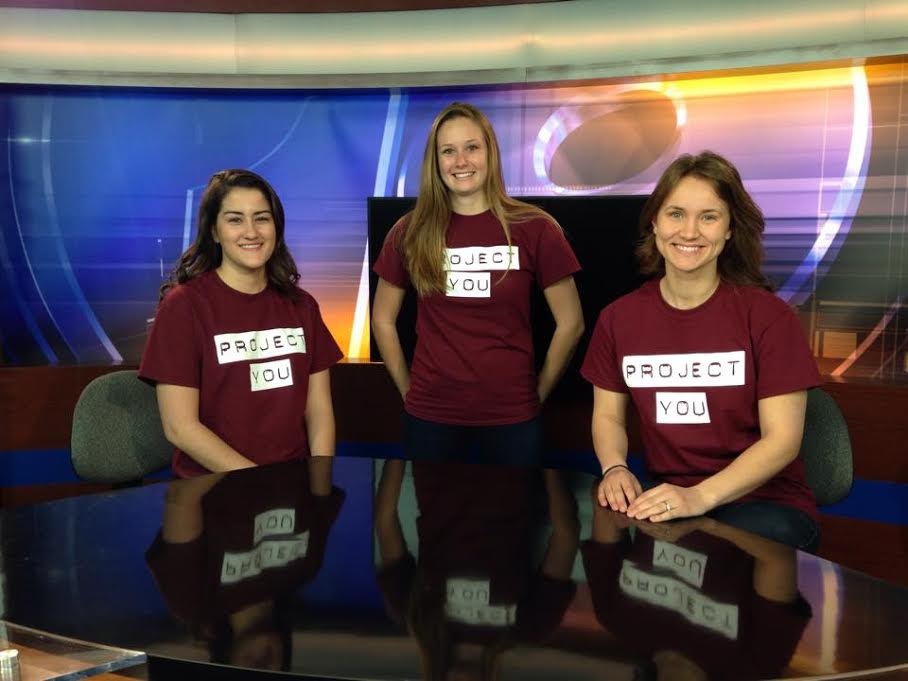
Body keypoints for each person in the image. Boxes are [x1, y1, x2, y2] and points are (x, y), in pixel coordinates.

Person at [581, 151, 822, 551]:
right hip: (669, 497)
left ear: (729, 230)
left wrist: (700, 497)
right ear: (654, 223)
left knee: (717, 561)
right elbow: (607, 415)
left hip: (764, 505)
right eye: (676, 214)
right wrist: (615, 467)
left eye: (708, 216)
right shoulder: (617, 319)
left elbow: (782, 440)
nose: (689, 232)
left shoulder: (768, 317)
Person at [372, 102, 584, 465]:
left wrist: (537, 392)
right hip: (431, 417)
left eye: (472, 147)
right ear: (435, 162)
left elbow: (571, 323)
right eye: (448, 151)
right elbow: (382, 320)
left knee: (515, 519)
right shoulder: (409, 232)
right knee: (436, 519)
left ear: (490, 152)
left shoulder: (535, 228)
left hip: (513, 417)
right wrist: (409, 393)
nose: (461, 161)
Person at [139, 169, 342, 478]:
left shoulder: (302, 306)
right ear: (214, 232)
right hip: (211, 492)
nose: (251, 232)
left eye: (261, 218)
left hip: (293, 487)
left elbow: (319, 412)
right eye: (235, 219)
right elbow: (179, 427)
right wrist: (257, 483)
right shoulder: (184, 307)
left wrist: (319, 480)